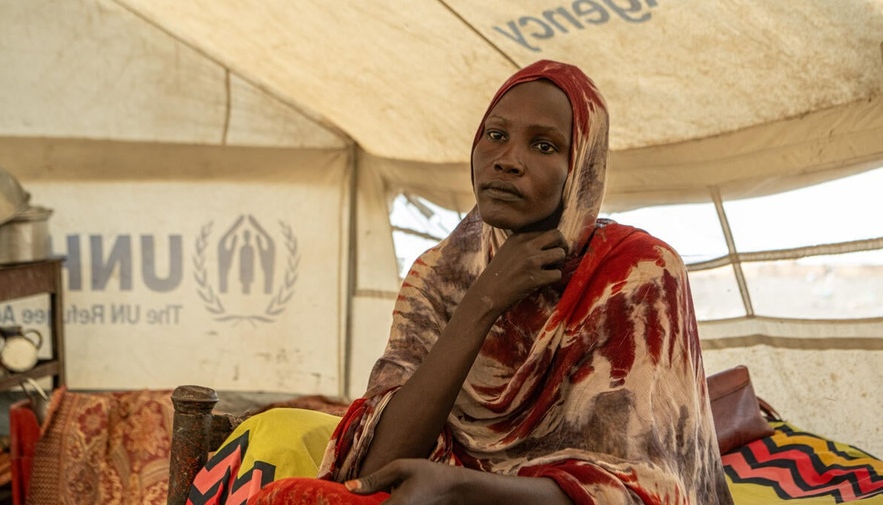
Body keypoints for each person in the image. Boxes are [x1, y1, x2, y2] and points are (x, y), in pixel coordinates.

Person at [189, 59, 733, 504]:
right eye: (495, 136)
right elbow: (380, 461)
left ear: (583, 168)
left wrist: (462, 487)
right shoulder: (440, 274)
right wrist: (484, 300)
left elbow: (636, 491)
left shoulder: (636, 273)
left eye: (543, 146)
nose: (507, 161)